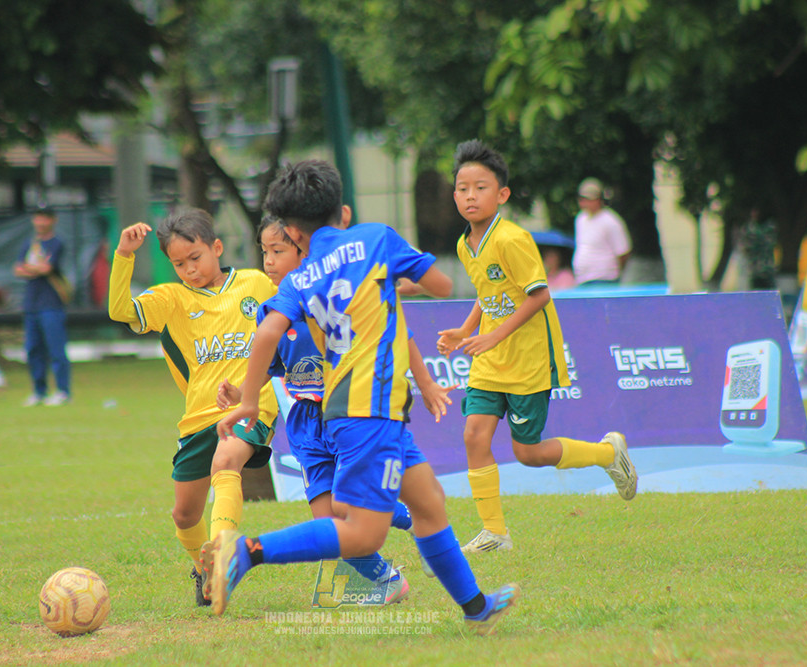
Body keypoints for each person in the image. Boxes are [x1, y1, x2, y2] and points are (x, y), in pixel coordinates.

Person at [211, 160, 519, 636]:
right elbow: (442, 286)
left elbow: (267, 334)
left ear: (292, 231)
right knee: (361, 533)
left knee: (429, 504)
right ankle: (249, 551)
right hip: (368, 411)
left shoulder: (297, 279)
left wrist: (250, 403)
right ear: (343, 210)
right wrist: (394, 281)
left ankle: (476, 608)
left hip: (355, 409)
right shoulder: (376, 238)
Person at [216, 214, 454, 600]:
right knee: (327, 516)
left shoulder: (344, 294)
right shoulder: (277, 309)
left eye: (278, 251)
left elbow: (400, 334)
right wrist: (242, 391)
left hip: (351, 415)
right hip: (306, 423)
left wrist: (426, 383)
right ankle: (386, 579)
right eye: (264, 253)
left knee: (354, 503)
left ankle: (422, 525)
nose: (269, 262)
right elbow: (270, 366)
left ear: (302, 247)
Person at [437, 140, 638, 554]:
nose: (470, 196)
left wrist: (493, 334)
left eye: (480, 187)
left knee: (527, 453)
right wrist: (465, 329)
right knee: (474, 434)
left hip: (527, 359)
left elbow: (539, 295)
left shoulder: (512, 239)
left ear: (502, 195)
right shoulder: (464, 244)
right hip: (490, 361)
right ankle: (495, 533)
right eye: (462, 188)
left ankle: (607, 453)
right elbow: (487, 293)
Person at [107, 209, 279, 608]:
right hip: (199, 417)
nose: (189, 269)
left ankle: (223, 557)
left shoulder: (256, 284)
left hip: (251, 405)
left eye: (196, 258)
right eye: (178, 264)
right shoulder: (172, 299)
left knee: (227, 461)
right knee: (184, 515)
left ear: (217, 248)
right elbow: (120, 311)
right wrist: (124, 256)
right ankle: (205, 569)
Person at [13, 207, 71, 406]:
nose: (40, 222)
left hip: (51, 304)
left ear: (52, 220)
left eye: (44, 218)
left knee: (56, 349)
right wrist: (34, 269)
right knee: (33, 349)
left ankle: (63, 391)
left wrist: (31, 269)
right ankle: (39, 391)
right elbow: (18, 270)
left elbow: (47, 268)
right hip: (31, 304)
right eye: (37, 218)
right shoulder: (29, 244)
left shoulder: (56, 243)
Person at [571, 177, 632, 285]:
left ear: (599, 200)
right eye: (582, 199)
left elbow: (623, 252)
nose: (585, 203)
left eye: (589, 199)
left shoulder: (611, 220)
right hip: (583, 279)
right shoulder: (580, 219)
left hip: (604, 279)